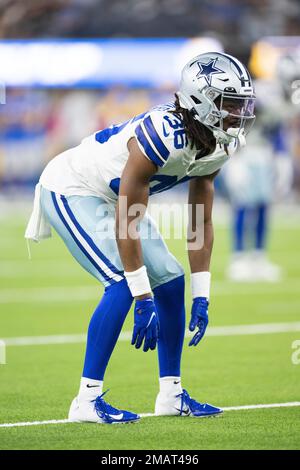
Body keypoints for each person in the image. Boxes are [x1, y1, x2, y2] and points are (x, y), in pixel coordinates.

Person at [25, 52, 255, 424]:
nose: (238, 113)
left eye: (242, 103)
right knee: (121, 283)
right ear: (201, 100)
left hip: (116, 200)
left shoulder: (221, 144)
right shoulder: (163, 136)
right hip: (73, 187)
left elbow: (200, 222)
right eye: (230, 103)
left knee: (171, 278)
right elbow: (125, 218)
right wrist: (141, 296)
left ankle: (171, 394)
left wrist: (202, 294)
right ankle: (86, 399)